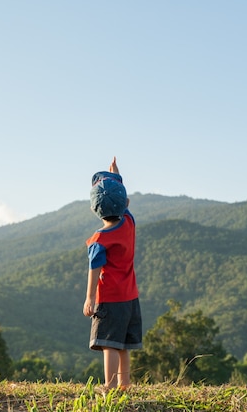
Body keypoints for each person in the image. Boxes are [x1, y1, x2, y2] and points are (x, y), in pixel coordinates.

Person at [83, 156, 142, 390]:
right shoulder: (129, 223)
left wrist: (89, 298)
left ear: (94, 209)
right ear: (126, 202)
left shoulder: (99, 240)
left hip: (110, 298)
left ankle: (108, 385)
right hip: (130, 297)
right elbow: (122, 203)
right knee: (123, 344)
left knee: (108, 344)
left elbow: (94, 271)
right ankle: (124, 384)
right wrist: (116, 176)